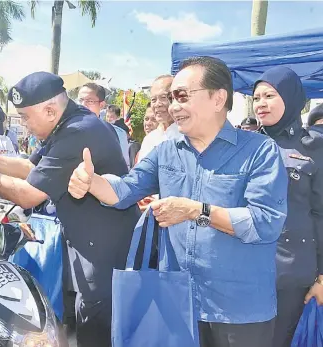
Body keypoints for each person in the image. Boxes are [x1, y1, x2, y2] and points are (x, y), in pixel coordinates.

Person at [68, 56, 289, 347]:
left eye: (182, 96)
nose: (173, 107)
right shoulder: (166, 151)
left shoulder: (261, 152)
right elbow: (125, 191)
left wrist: (196, 210)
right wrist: (92, 182)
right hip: (177, 304)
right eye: (172, 98)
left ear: (218, 98)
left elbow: (265, 223)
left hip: (239, 311)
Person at [0, 71, 139, 347]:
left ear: (49, 110)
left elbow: (27, 195)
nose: (23, 125)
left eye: (25, 117)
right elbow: (30, 168)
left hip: (103, 248)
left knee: (95, 325)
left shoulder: (78, 131)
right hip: (87, 239)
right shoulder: (68, 121)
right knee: (80, 317)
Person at [253, 66, 323, 347]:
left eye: (269, 95)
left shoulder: (314, 147)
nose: (260, 104)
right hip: (245, 271)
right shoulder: (245, 144)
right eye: (256, 97)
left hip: (293, 276)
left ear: (292, 97)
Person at [78, 83, 131, 168]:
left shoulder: (117, 134)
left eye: (90, 101)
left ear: (101, 105)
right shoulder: (67, 129)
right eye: (80, 100)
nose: (83, 105)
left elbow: (124, 168)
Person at [137, 75, 179, 161]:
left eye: (163, 97)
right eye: (153, 100)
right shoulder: (150, 139)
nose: (157, 104)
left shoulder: (189, 136)